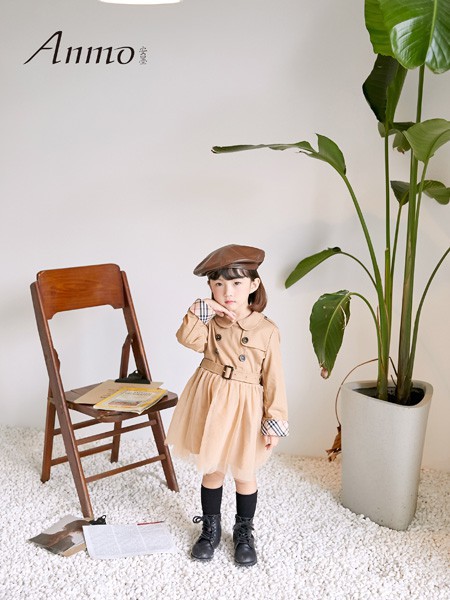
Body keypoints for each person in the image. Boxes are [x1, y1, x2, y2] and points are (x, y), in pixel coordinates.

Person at [165, 244, 289, 567]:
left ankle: (244, 531)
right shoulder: (211, 322)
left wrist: (274, 421)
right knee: (213, 468)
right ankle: (210, 529)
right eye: (218, 284)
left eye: (236, 283)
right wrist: (202, 309)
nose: (227, 292)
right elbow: (186, 338)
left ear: (254, 284)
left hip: (246, 405)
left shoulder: (266, 330)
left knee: (245, 471)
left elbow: (274, 378)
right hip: (211, 398)